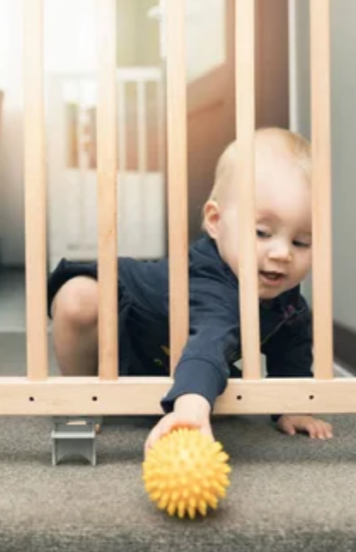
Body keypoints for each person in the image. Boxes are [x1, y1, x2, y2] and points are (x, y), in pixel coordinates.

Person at [46, 127, 333, 453]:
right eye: (262, 232)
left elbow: (291, 350)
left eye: (301, 241)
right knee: (78, 299)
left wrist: (291, 405)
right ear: (214, 220)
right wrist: (191, 409)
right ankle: (81, 394)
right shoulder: (211, 284)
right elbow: (210, 340)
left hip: (162, 354)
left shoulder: (287, 303)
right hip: (124, 318)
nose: (283, 253)